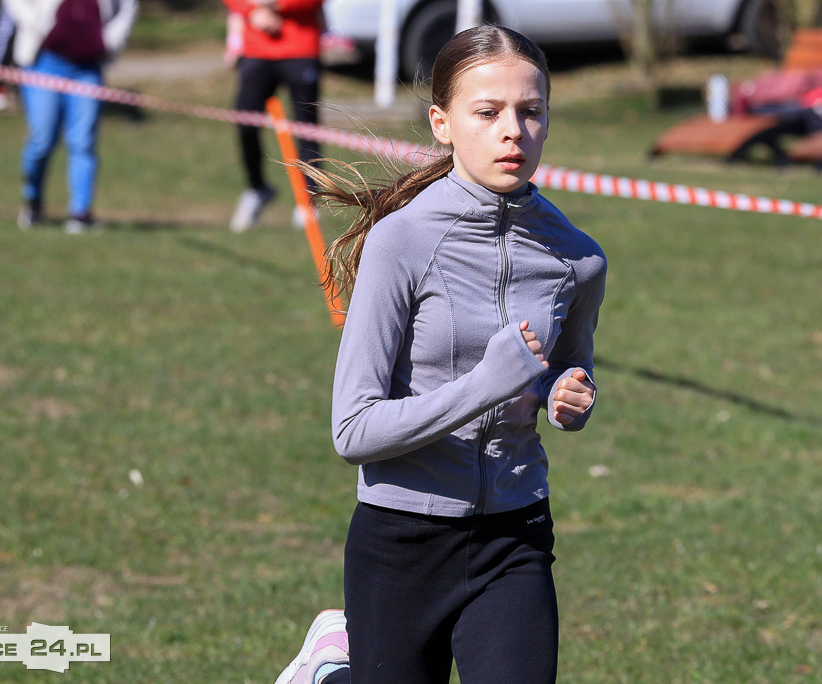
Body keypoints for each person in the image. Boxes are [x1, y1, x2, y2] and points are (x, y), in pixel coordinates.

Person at [274, 24, 608, 684]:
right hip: (401, 540)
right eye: (487, 112)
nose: (513, 131)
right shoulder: (401, 243)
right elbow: (353, 430)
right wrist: (484, 385)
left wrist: (568, 391)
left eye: (531, 111)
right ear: (442, 124)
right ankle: (331, 670)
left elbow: (568, 368)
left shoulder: (578, 259)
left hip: (514, 534)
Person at [5, 0, 138, 233]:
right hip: (44, 62)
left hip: (87, 68)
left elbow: (129, 6)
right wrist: (37, 23)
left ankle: (80, 213)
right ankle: (33, 200)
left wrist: (110, 40)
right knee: (42, 140)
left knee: (83, 141)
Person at [222, 0, 325, 232]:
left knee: (306, 128)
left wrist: (275, 4)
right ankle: (257, 188)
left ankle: (309, 198)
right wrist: (252, 11)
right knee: (245, 122)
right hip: (256, 49)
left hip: (301, 47)